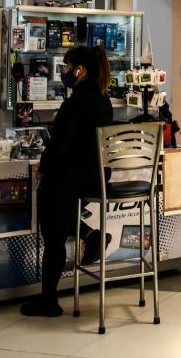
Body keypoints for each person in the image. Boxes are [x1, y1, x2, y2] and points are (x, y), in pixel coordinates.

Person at [22, 45, 113, 317]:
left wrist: (42, 168)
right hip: (95, 179)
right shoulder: (103, 100)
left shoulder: (75, 103)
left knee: (53, 231)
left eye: (66, 68)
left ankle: (48, 299)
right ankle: (86, 233)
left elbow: (59, 146)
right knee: (62, 213)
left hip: (72, 179)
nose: (64, 73)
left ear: (80, 70)